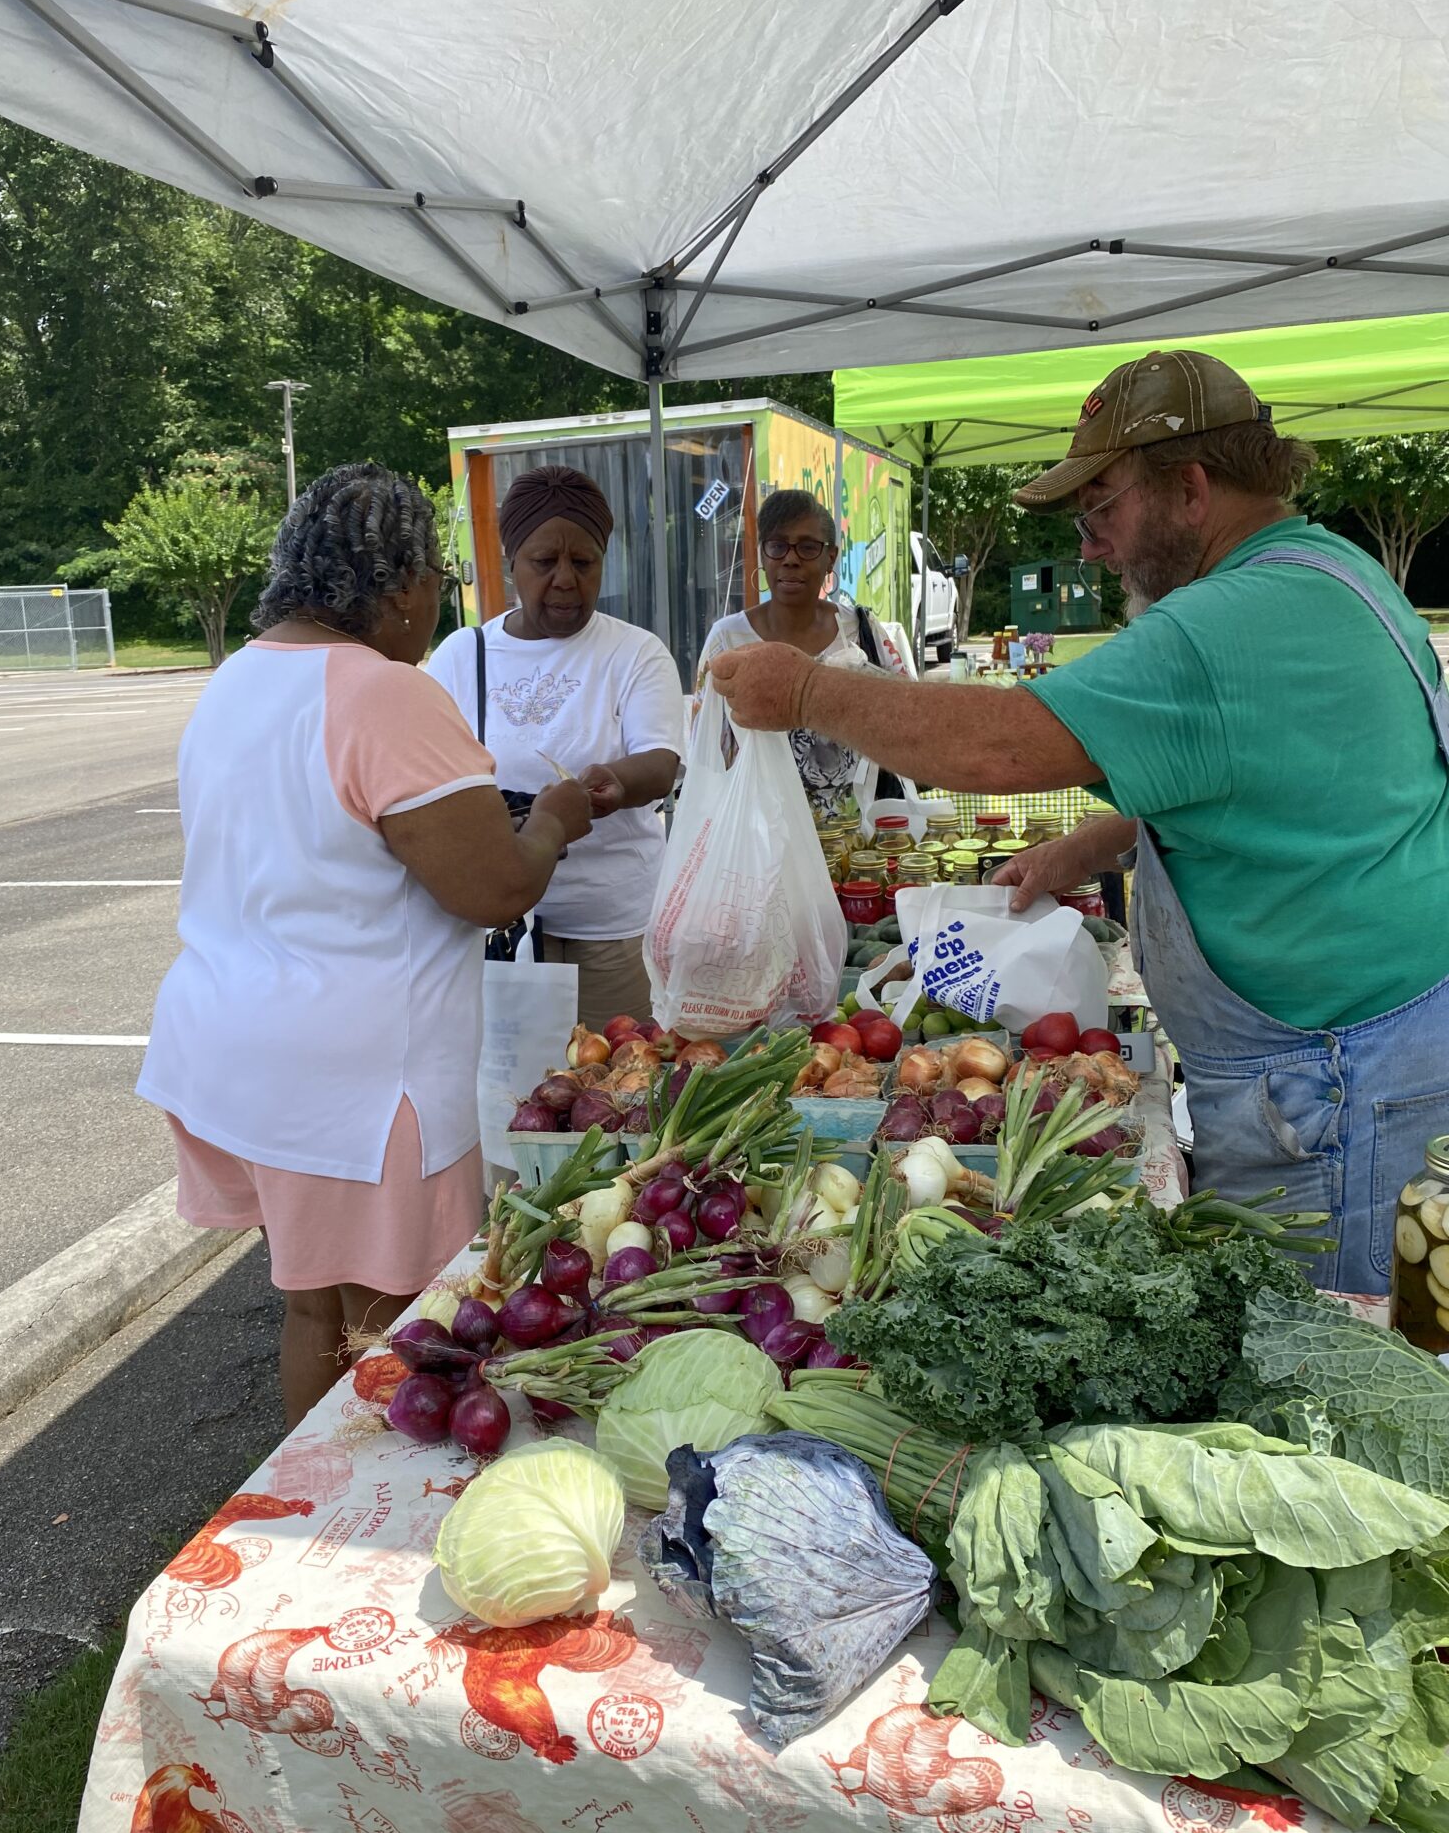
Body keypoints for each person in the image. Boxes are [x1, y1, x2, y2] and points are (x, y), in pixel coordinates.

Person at [708, 350, 1449, 1296]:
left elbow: (1004, 747)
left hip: (1334, 1090)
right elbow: (1293, 780)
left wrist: (808, 686)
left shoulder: (1225, 623)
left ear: (1189, 488)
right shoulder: (1332, 570)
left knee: (1330, 1387)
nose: (1091, 545)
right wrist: (1102, 838)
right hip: (1371, 1054)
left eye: (1103, 509)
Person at [137, 464, 592, 1426]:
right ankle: (368, 1522)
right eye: (437, 583)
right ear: (402, 588)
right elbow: (495, 886)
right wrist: (552, 816)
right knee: (407, 1327)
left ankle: (314, 1490)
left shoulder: (237, 681)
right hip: (360, 1082)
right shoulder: (384, 693)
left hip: (232, 1048)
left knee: (315, 1303)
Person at [426, 465, 684, 1030]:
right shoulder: (460, 656)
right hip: (496, 926)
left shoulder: (635, 653)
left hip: (611, 924)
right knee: (514, 1093)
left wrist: (617, 783)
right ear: (511, 562)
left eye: (583, 562)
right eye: (544, 562)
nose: (565, 579)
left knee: (621, 1086)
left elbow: (661, 761)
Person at [696, 488, 911, 814]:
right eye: (777, 546)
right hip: (759, 847)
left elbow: (908, 716)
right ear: (762, 554)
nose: (791, 558)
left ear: (831, 558)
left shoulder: (860, 630)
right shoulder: (727, 640)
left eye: (808, 547)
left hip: (853, 844)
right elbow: (706, 750)